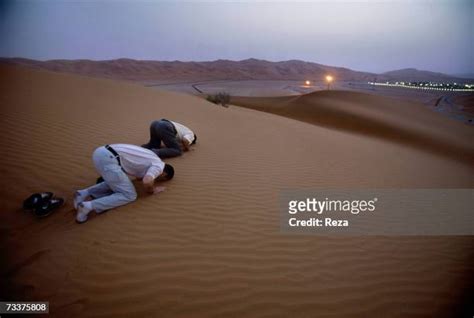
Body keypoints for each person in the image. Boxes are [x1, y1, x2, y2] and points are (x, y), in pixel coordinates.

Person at [74, 144, 175, 224]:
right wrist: (152, 190)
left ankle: (82, 193)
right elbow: (147, 181)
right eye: (160, 179)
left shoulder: (153, 156)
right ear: (164, 174)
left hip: (101, 152)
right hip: (110, 160)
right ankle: (88, 206)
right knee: (130, 195)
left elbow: (139, 176)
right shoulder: (159, 166)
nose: (157, 179)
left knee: (118, 181)